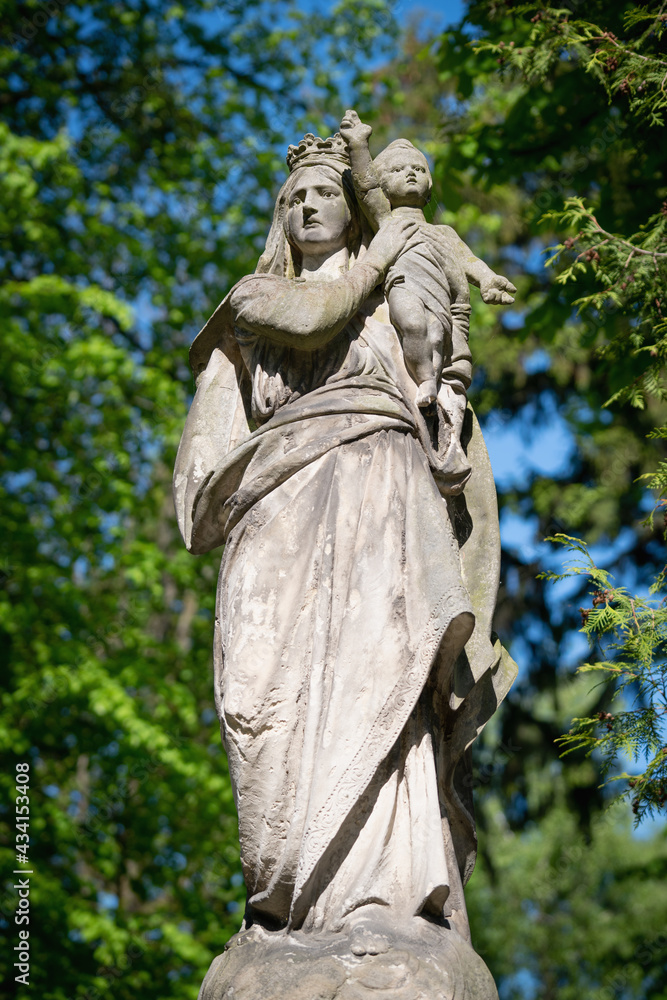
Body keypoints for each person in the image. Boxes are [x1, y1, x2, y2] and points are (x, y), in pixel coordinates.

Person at [174, 132, 517, 962]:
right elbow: (307, 317)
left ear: (351, 202)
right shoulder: (255, 301)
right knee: (262, 694)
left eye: (322, 191)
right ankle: (284, 907)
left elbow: (436, 379)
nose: (305, 206)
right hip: (276, 510)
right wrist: (378, 261)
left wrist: (442, 386)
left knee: (379, 674)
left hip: (378, 492)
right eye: (291, 197)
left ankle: (382, 896)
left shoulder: (393, 285)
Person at [338, 109, 516, 442]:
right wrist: (359, 147)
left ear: (429, 183)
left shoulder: (444, 231)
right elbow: (365, 188)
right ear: (385, 180)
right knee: (413, 325)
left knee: (436, 334)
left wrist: (488, 279)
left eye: (418, 169)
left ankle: (430, 383)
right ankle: (424, 380)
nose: (410, 174)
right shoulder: (388, 221)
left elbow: (468, 260)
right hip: (404, 286)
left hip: (444, 298)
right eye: (398, 169)